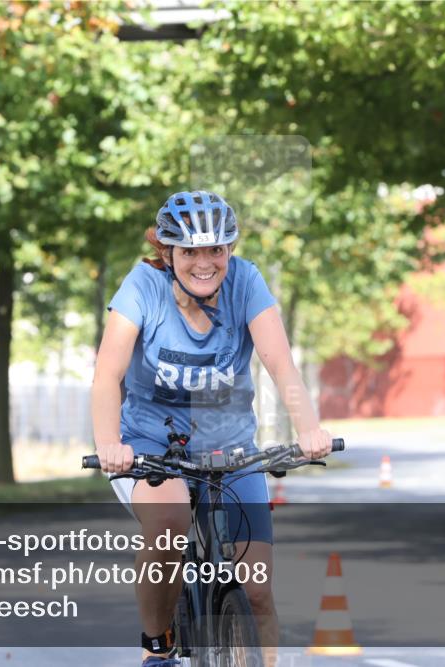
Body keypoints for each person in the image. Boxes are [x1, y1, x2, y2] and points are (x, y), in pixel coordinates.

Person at [91, 190, 334, 667]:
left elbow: (280, 365)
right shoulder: (142, 286)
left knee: (257, 591)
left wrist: (309, 429)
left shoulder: (247, 282)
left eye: (216, 250)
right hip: (150, 444)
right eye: (190, 252)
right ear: (168, 253)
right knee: (169, 524)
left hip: (229, 444)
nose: (204, 263)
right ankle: (157, 646)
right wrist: (108, 444)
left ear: (230, 249)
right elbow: (107, 375)